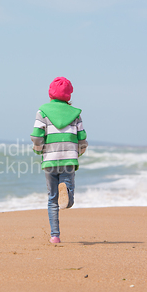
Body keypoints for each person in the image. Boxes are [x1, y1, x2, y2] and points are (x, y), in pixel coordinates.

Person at [30, 77, 88, 244]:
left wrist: (38, 149)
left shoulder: (42, 111)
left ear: (50, 94)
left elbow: (36, 136)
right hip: (68, 159)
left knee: (52, 198)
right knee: (67, 198)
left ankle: (55, 236)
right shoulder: (76, 114)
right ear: (69, 96)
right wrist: (79, 152)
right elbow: (82, 138)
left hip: (50, 159)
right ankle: (68, 195)